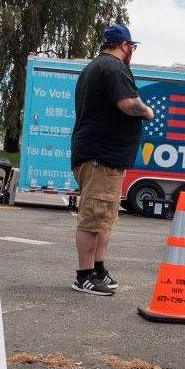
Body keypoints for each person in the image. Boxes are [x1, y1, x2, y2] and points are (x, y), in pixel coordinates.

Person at [69, 24, 154, 296]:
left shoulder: (95, 68)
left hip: (103, 155)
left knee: (104, 217)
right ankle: (84, 275)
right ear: (125, 45)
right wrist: (147, 111)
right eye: (132, 47)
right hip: (100, 156)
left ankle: (98, 270)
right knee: (93, 216)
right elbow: (128, 104)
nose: (132, 52)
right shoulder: (114, 68)